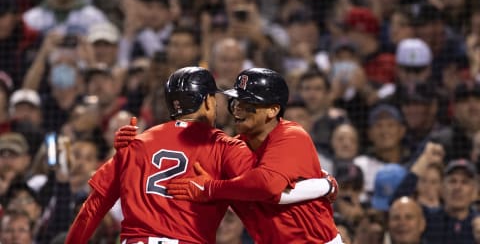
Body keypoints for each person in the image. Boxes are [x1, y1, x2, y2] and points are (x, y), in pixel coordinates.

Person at [66, 67, 338, 243]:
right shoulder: (226, 147)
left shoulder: (136, 144)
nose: (236, 108)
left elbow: (92, 208)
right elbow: (268, 187)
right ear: (208, 101)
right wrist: (323, 183)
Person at [166, 68, 341, 243]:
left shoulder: (292, 135)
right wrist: (139, 148)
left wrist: (211, 188)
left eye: (248, 104)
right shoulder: (231, 148)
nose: (238, 109)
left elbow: (266, 186)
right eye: (236, 101)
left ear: (273, 110)